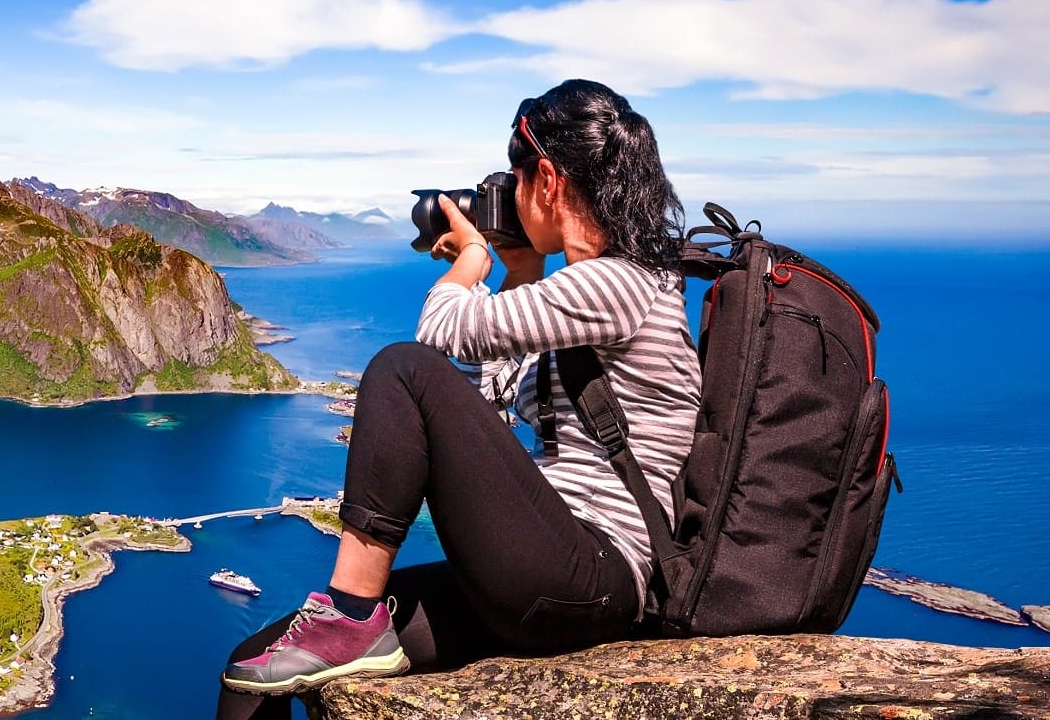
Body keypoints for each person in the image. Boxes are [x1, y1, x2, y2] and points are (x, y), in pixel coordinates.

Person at [217, 79, 701, 717]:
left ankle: (349, 611)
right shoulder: (598, 293)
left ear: (549, 181)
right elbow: (491, 392)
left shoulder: (623, 283)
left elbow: (439, 336)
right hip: (547, 569)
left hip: (597, 575)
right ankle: (343, 625)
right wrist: (521, 269)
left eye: (517, 179)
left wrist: (471, 259)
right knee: (259, 661)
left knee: (403, 369)